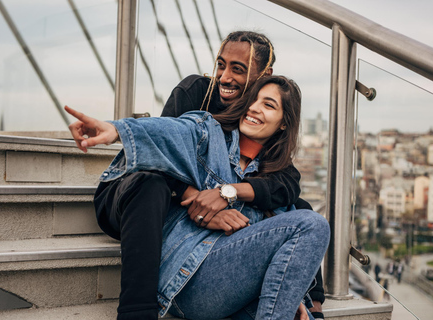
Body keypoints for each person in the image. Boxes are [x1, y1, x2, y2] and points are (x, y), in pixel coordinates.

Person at [69, 31, 325, 320]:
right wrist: (116, 130)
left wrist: (228, 192)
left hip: (215, 252)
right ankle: (136, 310)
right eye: (221, 65)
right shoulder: (201, 105)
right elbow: (167, 144)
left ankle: (313, 304)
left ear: (263, 75)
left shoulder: (267, 158)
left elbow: (287, 186)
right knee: (152, 185)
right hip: (141, 192)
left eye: (238, 69)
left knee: (297, 209)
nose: (225, 77)